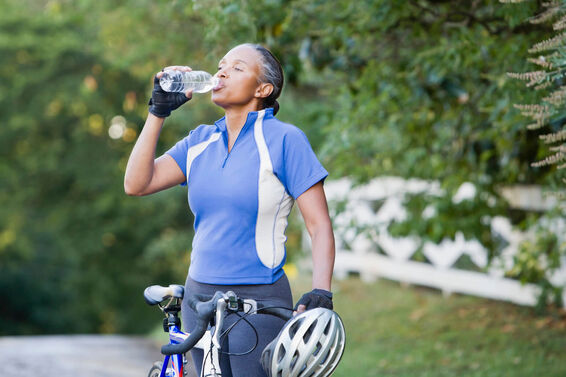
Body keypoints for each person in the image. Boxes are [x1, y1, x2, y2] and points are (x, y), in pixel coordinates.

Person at [124, 43, 335, 377]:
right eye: (221, 66)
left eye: (237, 68)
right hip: (198, 298)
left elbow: (319, 224)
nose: (221, 72)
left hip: (259, 300)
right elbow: (136, 184)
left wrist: (321, 289)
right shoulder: (200, 140)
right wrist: (157, 112)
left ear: (263, 88)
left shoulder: (285, 140)